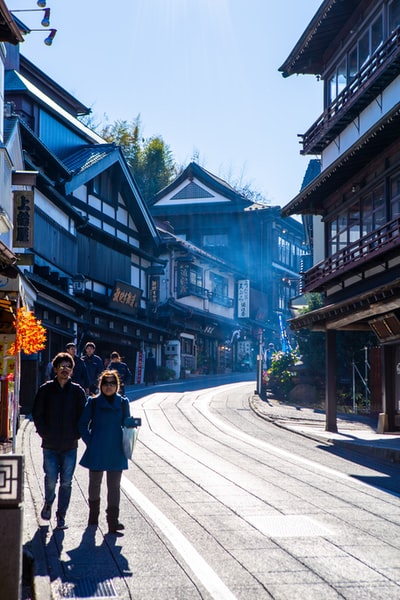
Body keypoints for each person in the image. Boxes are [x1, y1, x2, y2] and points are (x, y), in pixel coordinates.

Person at [78, 370, 137, 534]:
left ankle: (113, 522)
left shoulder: (123, 402)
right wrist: (91, 441)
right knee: (94, 484)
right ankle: (93, 517)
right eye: (106, 383)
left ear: (117, 386)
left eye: (112, 383)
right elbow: (82, 424)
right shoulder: (93, 402)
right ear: (101, 385)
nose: (109, 386)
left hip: (116, 449)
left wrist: (133, 424)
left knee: (114, 486)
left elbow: (127, 424)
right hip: (97, 449)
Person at [32, 352, 86, 529]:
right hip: (50, 444)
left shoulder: (77, 391)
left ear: (72, 370)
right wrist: (44, 433)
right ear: (55, 369)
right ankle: (48, 502)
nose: (65, 369)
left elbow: (83, 417)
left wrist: (77, 434)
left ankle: (61, 515)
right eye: (61, 366)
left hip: (70, 445)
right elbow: (37, 414)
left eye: (68, 366)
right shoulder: (46, 389)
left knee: (66, 482)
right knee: (50, 478)